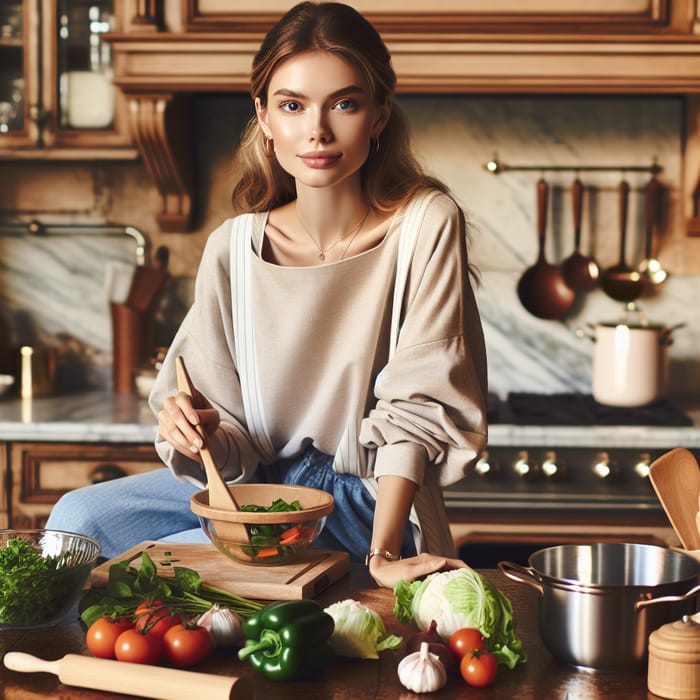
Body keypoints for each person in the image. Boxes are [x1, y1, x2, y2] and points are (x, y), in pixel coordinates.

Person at [46, 0, 487, 589]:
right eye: (292, 105)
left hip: (362, 496)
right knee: (76, 521)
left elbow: (419, 411)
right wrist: (198, 427)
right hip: (257, 489)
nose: (318, 130)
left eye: (346, 103)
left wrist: (383, 555)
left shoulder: (425, 224)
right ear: (264, 116)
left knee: (172, 569)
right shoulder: (234, 248)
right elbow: (233, 443)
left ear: (380, 113)